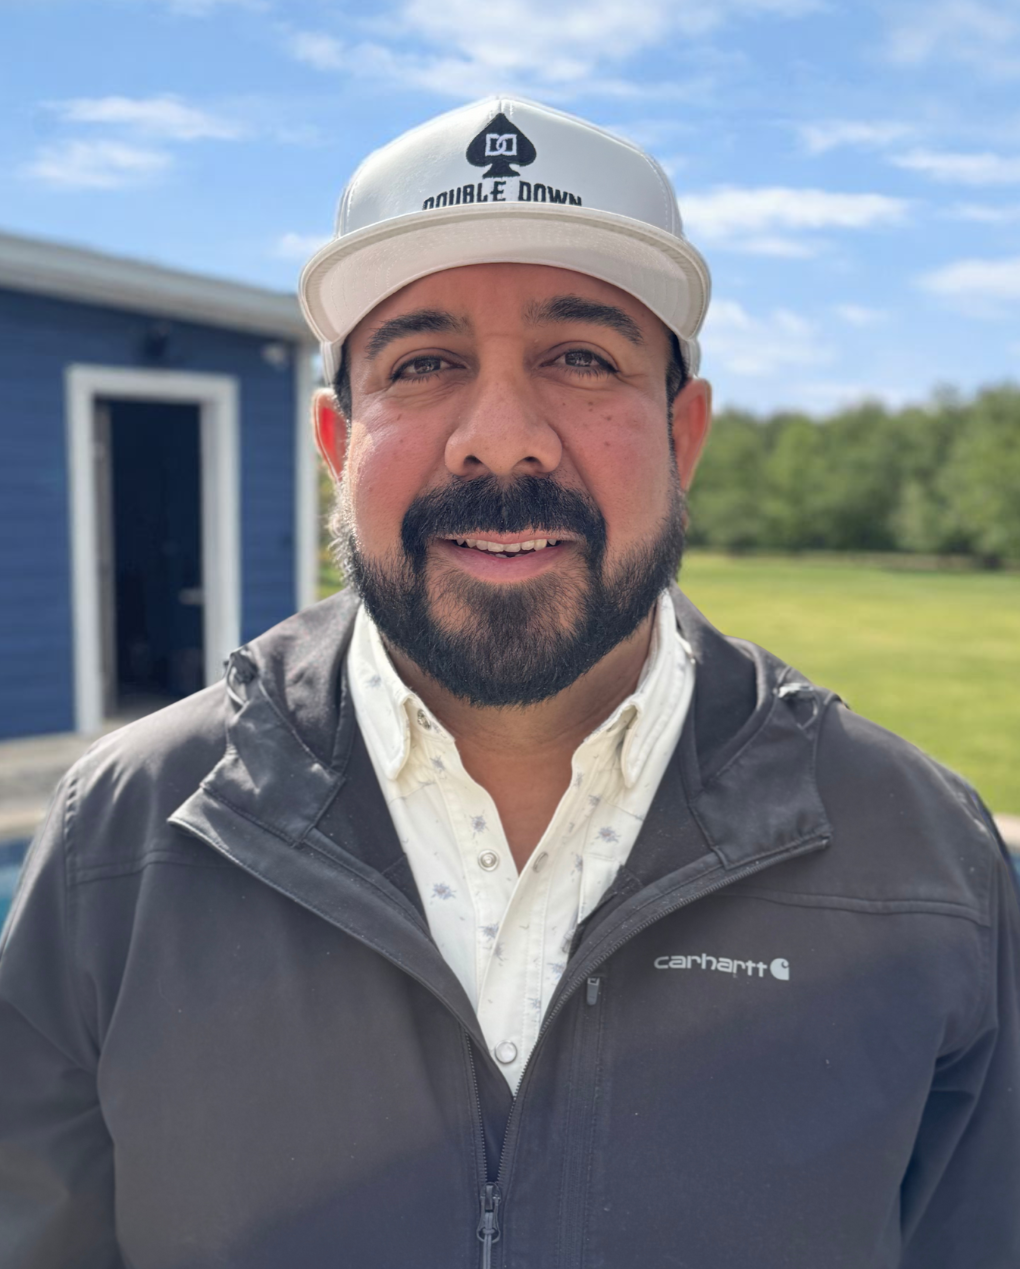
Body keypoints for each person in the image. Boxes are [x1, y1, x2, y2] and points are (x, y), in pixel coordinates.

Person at [1, 96, 1018, 1269]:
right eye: (424, 364)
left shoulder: (923, 860)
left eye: (581, 358)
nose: (500, 438)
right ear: (339, 447)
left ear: (683, 437)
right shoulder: (120, 837)